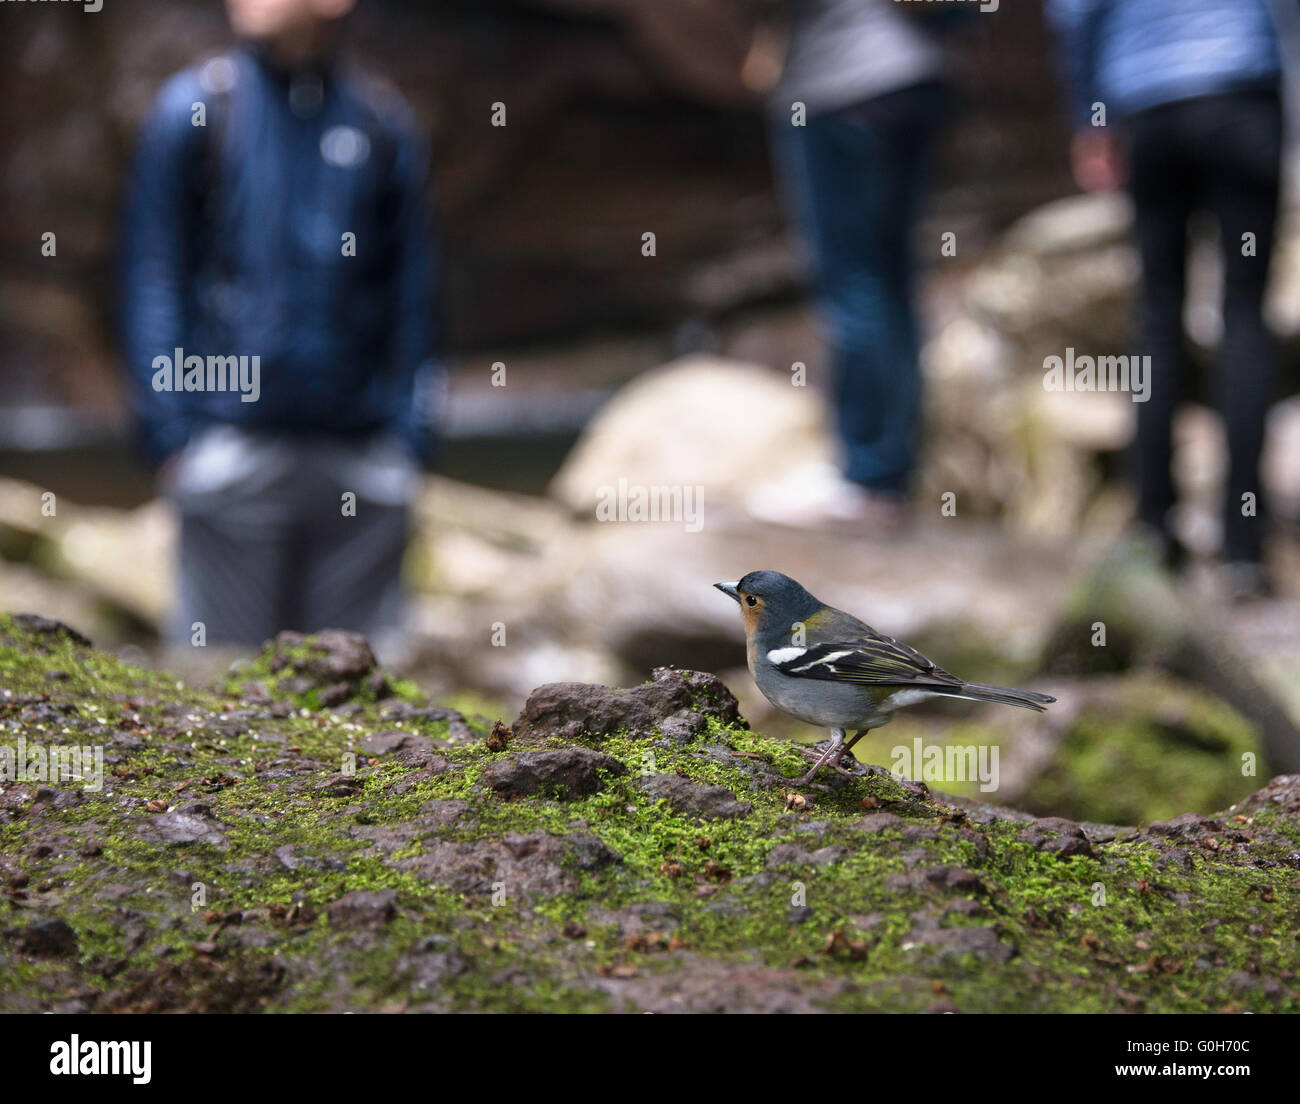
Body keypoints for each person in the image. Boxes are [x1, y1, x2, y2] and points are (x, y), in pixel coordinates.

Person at [119, 0, 442, 653]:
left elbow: (415, 294)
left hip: (359, 461)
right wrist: (172, 438)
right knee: (217, 700)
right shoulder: (194, 111)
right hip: (229, 455)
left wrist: (410, 442)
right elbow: (155, 277)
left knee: (362, 708)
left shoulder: (381, 123)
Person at [1047, 0, 1286, 596]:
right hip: (1242, 94)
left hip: (1146, 107)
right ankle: (1243, 554)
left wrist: (1089, 117)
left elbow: (1075, 15)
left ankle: (1154, 536)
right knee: (1245, 316)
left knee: (1156, 318)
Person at [744, 0, 961, 530]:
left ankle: (867, 478)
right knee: (893, 280)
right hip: (915, 73)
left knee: (855, 282)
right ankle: (891, 474)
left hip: (840, 82)